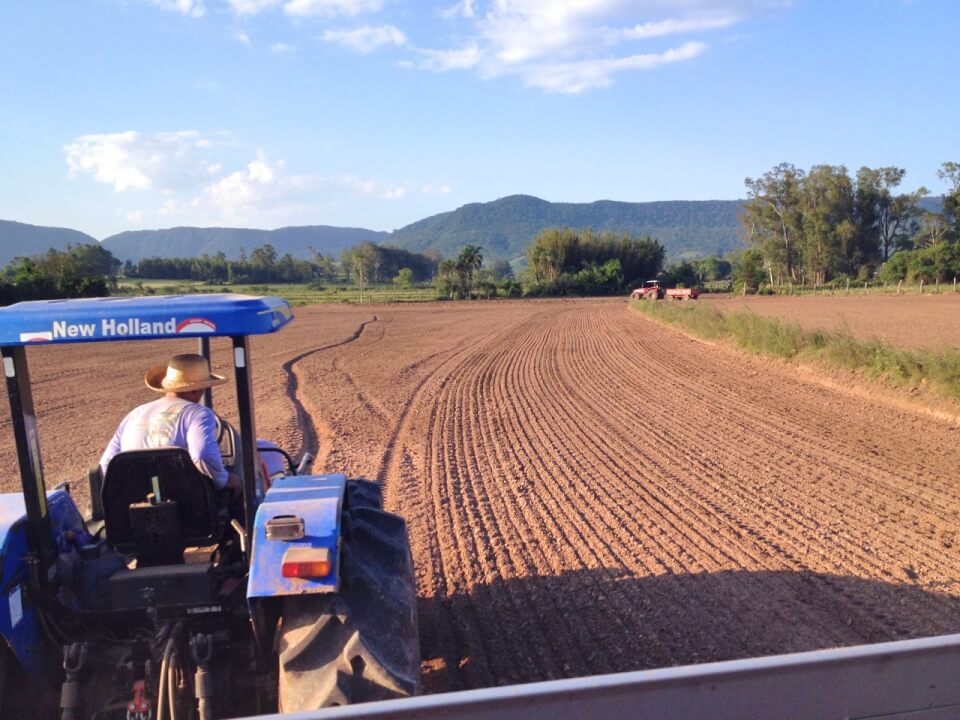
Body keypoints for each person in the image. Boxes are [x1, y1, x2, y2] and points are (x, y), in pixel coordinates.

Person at [100, 354, 241, 491]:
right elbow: (202, 454)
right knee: (238, 485)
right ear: (197, 390)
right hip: (184, 501)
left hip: (130, 499)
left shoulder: (135, 413)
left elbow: (106, 463)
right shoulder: (198, 413)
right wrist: (224, 479)